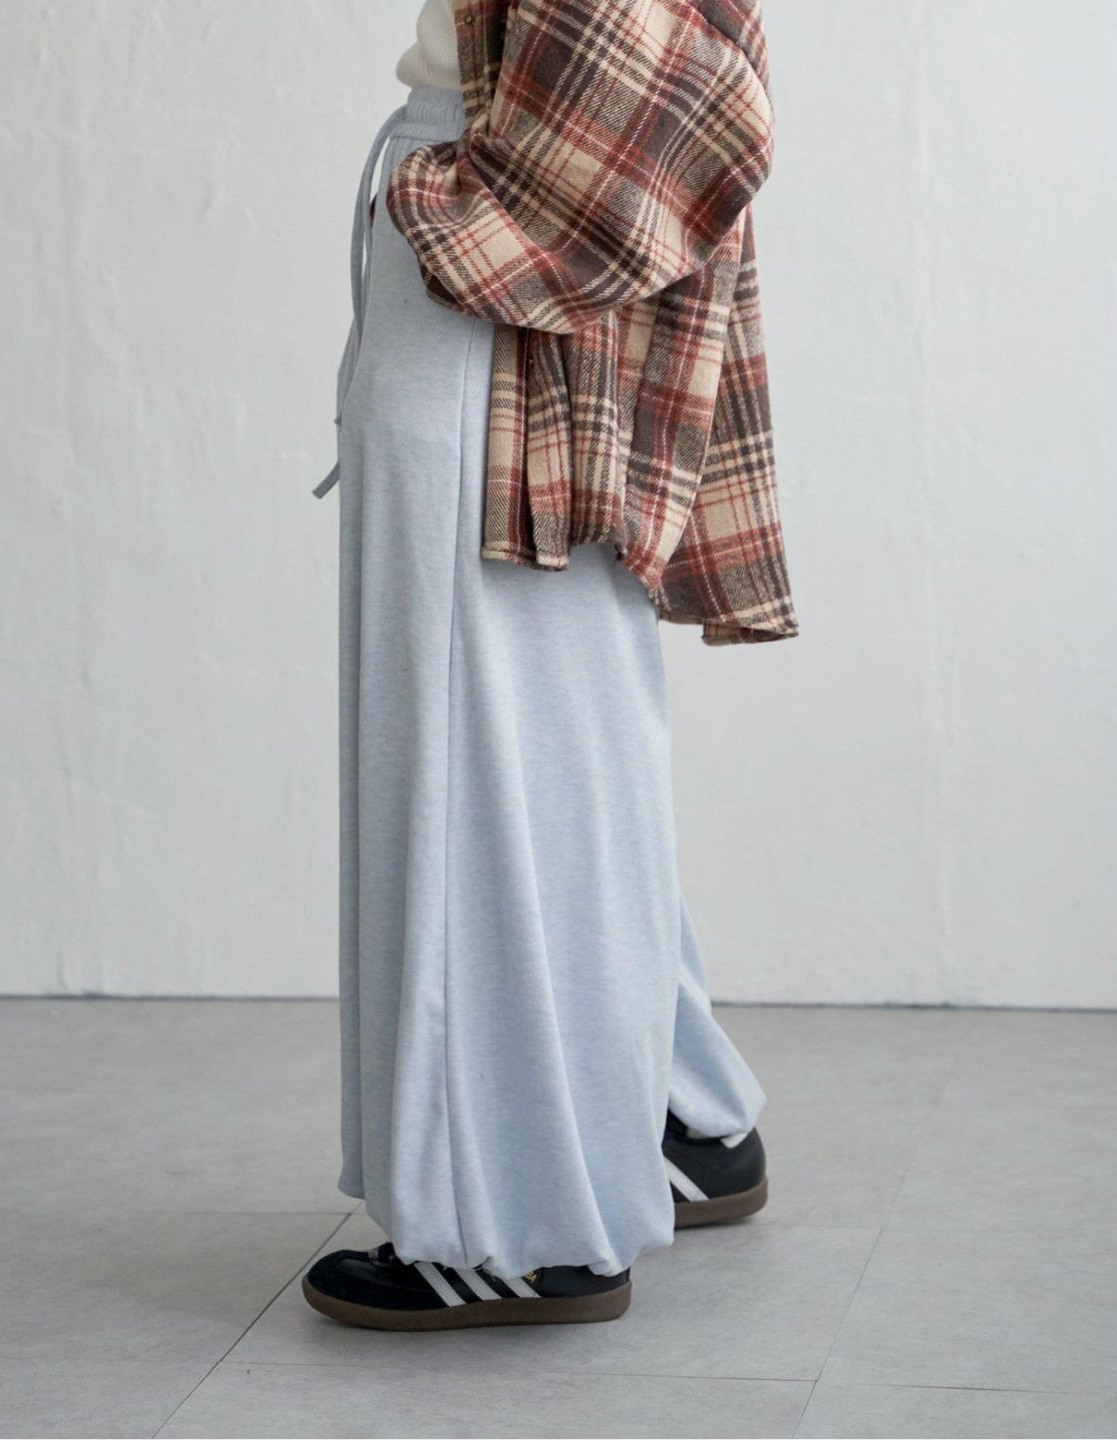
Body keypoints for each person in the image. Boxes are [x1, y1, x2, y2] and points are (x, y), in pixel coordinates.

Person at [302, 0, 797, 1332]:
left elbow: (661, 65)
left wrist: (447, 207)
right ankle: (671, 1114)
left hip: (508, 227)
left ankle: (522, 1225)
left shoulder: (483, 204)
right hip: (523, 190)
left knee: (483, 741)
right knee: (567, 726)